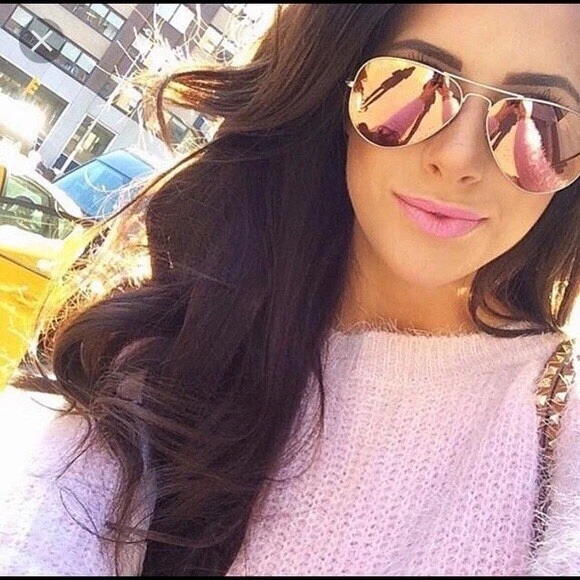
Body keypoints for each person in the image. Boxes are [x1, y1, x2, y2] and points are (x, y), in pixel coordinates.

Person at [1, 3, 579, 576]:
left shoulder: (558, 417)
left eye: (538, 119)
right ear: (337, 87)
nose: (457, 159)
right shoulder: (184, 344)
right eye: (412, 83)